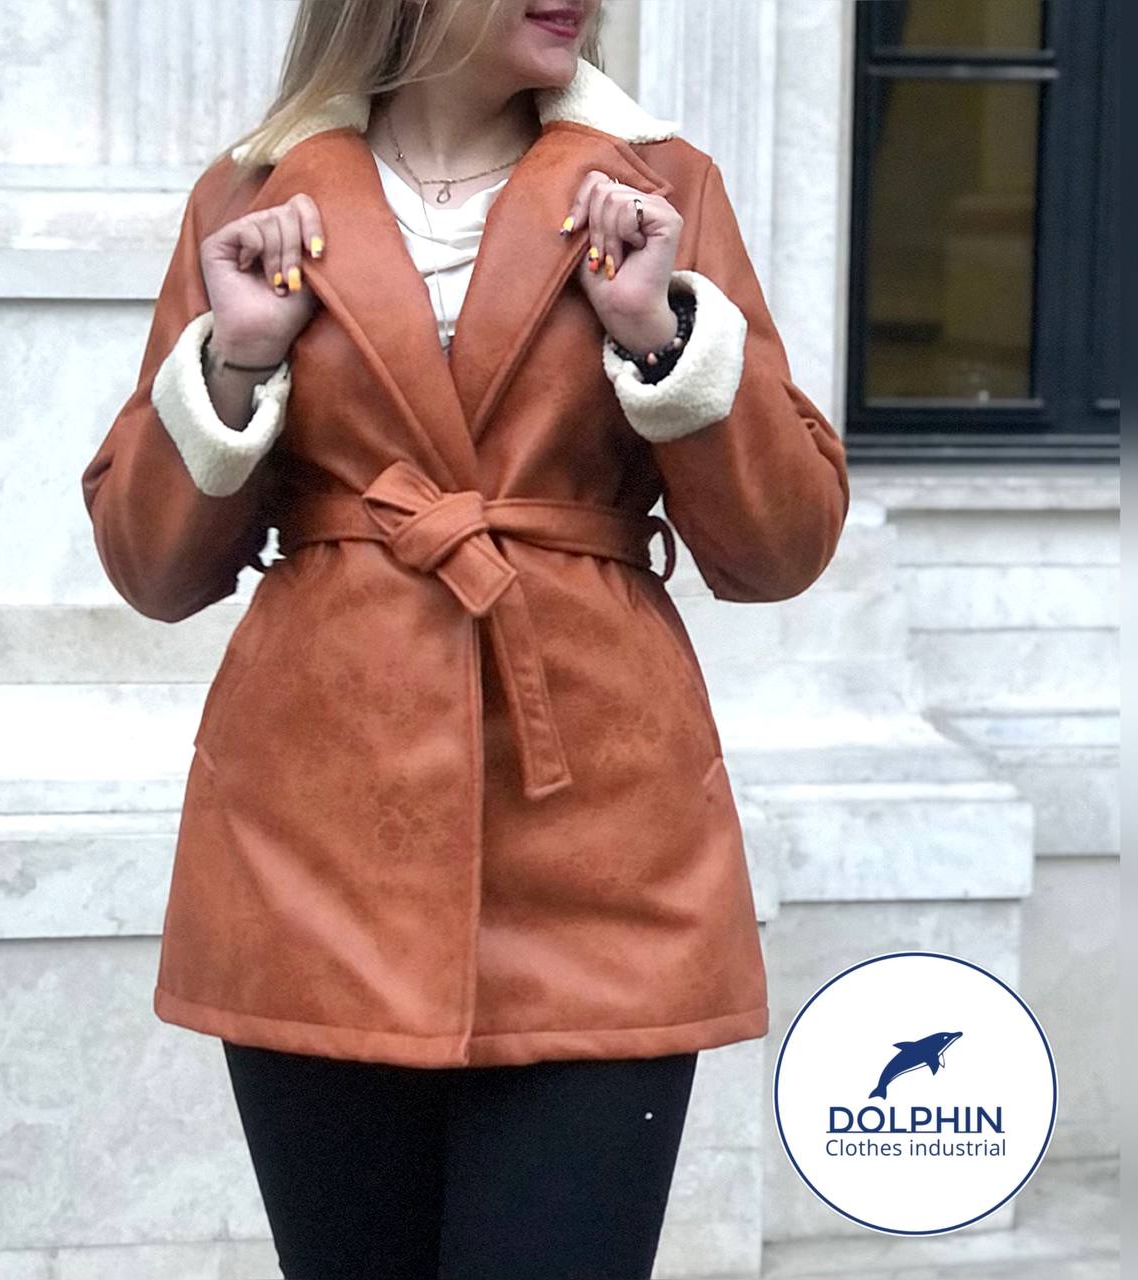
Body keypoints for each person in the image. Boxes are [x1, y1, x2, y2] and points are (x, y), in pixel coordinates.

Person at [81, 1, 850, 1276]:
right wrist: (236, 362)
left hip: (601, 841)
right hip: (314, 846)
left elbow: (778, 547)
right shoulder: (251, 195)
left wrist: (658, 336)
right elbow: (153, 567)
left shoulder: (661, 186)